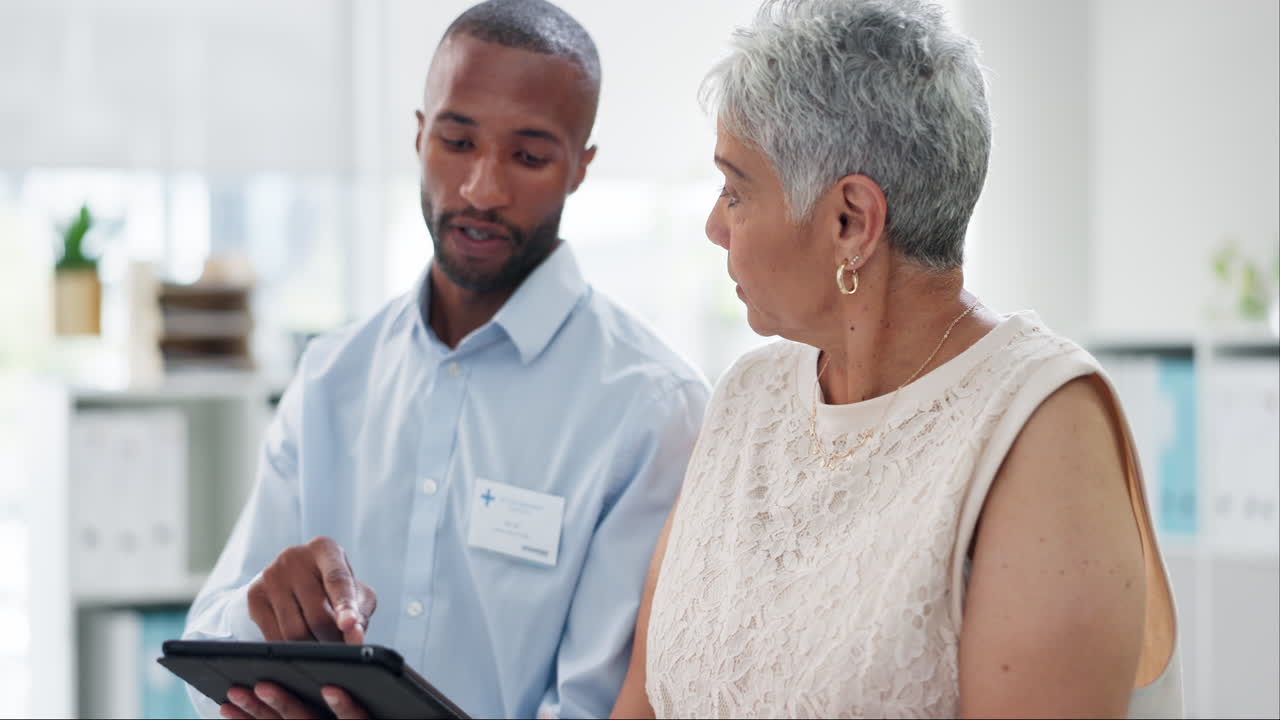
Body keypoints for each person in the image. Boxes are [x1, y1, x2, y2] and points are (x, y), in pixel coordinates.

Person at [610, 0, 1181, 717]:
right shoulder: (745, 399)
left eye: (735, 189)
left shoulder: (1040, 427)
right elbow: (644, 696)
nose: (714, 226)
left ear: (850, 221)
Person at [183, 2, 709, 718]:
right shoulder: (333, 375)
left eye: (528, 156)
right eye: (457, 142)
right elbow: (211, 637)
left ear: (581, 168)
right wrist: (268, 615)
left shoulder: (652, 410)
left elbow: (597, 706)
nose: (481, 190)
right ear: (419, 134)